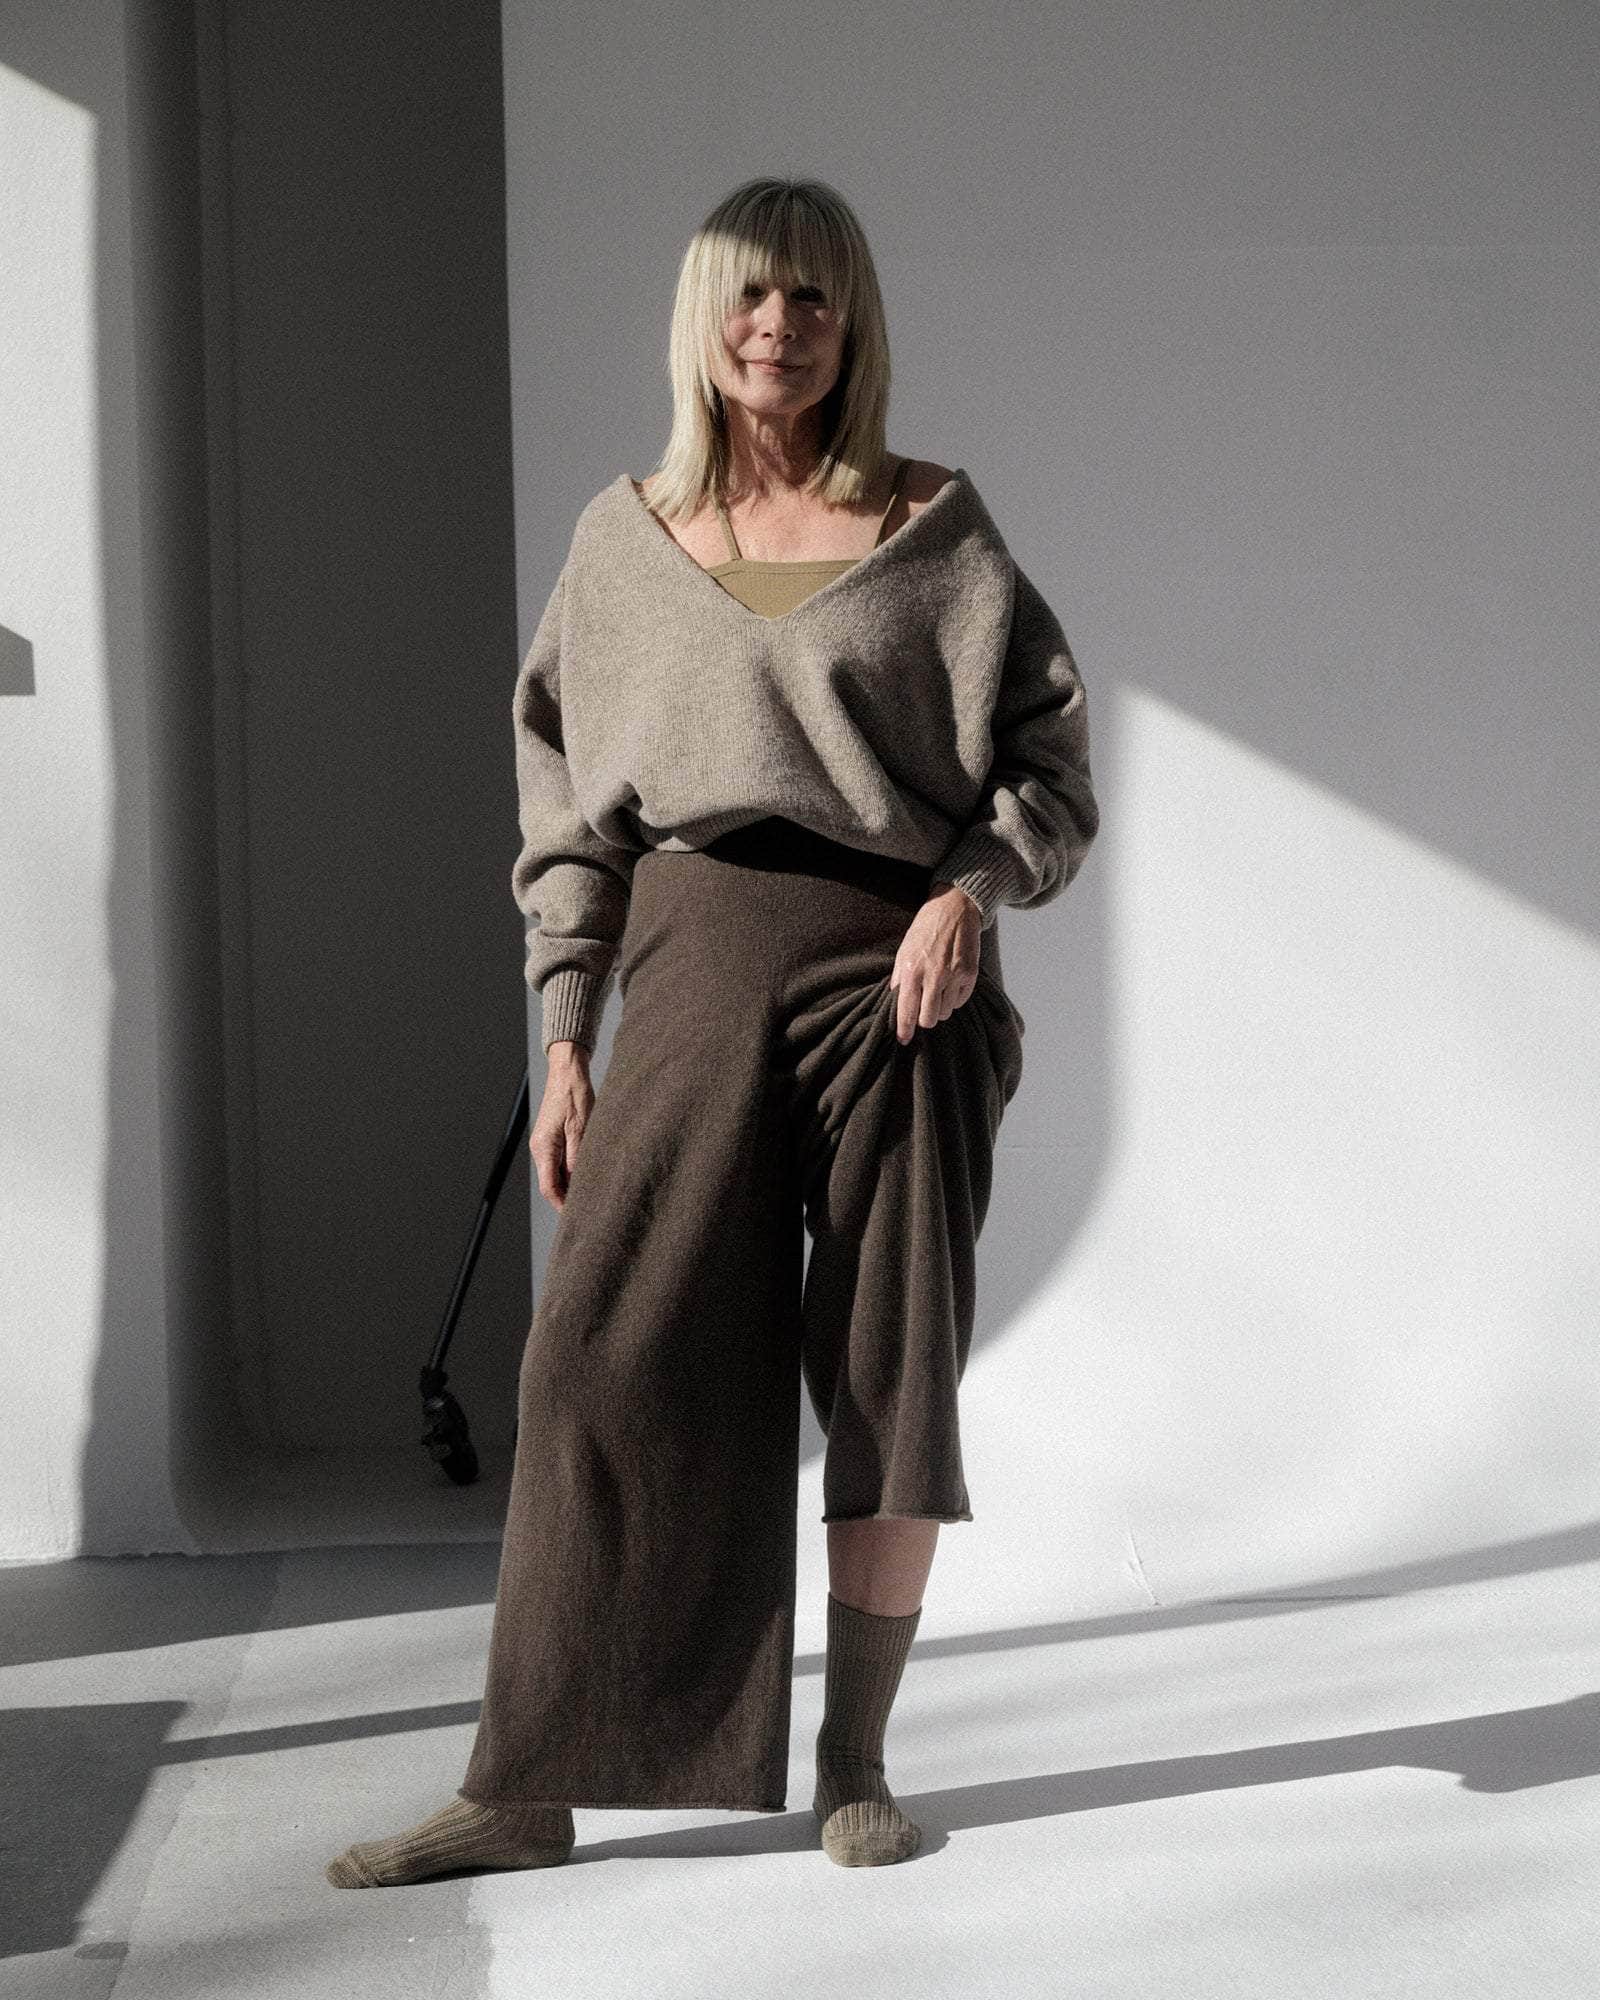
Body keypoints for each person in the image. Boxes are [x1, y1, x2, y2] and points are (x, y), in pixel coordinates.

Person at [326, 174, 1098, 1885]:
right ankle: (526, 1784)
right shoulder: (625, 544)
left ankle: (856, 1760)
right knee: (596, 1358)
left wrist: (968, 894)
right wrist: (563, 1031)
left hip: (899, 988)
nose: (779, 326)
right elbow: (568, 813)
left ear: (853, 323)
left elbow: (1050, 770)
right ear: (703, 317)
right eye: (750, 293)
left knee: (888, 1368)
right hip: (690, 958)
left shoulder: (935, 530)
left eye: (814, 297)